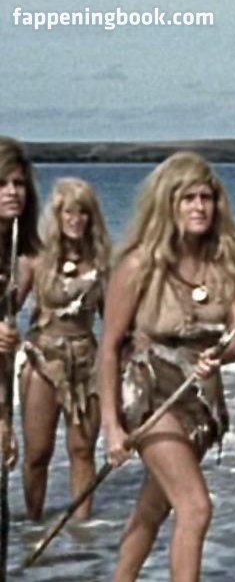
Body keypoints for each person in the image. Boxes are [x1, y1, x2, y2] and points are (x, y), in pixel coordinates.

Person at [100, 151, 235, 581]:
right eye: (187, 198)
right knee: (196, 507)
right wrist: (111, 426)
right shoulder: (138, 266)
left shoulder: (224, 265)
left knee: (155, 506)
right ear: (167, 204)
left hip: (200, 400)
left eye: (206, 197)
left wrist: (221, 354)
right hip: (149, 393)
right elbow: (109, 347)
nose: (199, 207)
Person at [19, 177, 109, 520]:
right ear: (56, 216)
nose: (76, 219)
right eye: (68, 212)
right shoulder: (35, 259)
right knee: (37, 453)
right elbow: (9, 307)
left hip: (86, 362)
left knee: (82, 450)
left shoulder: (102, 263)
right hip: (43, 361)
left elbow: (114, 321)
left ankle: (82, 532)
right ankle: (32, 526)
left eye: (83, 212)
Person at [0, 136, 42, 468]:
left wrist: (3, 421)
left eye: (18, 183)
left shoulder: (20, 258)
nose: (12, 192)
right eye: (1, 184)